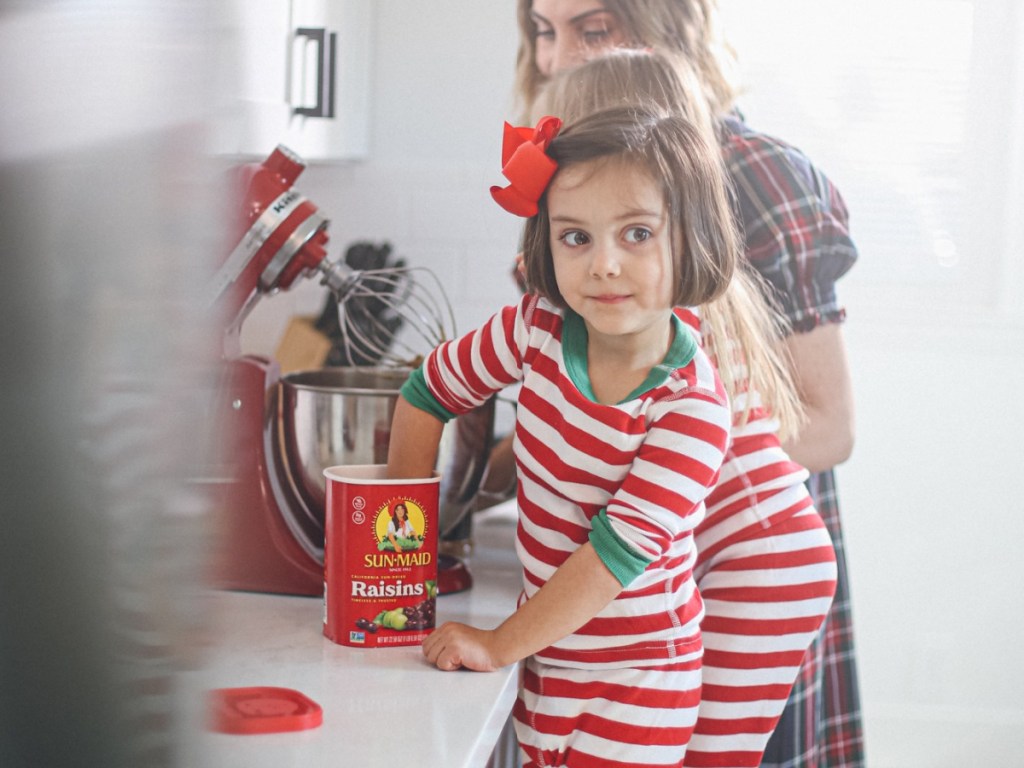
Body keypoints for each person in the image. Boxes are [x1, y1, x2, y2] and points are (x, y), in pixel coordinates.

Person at [388, 106, 836, 768]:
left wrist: (499, 643)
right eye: (575, 237)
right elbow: (428, 392)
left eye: (636, 234)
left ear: (692, 240)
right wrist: (400, 563)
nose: (603, 264)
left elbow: (613, 557)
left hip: (640, 682)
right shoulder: (534, 327)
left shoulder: (691, 408)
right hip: (548, 658)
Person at [513, 3, 863, 766]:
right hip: (717, 553)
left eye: (592, 28)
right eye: (544, 30)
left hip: (752, 555)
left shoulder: (749, 195)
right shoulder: (650, 261)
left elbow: (830, 427)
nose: (559, 56)